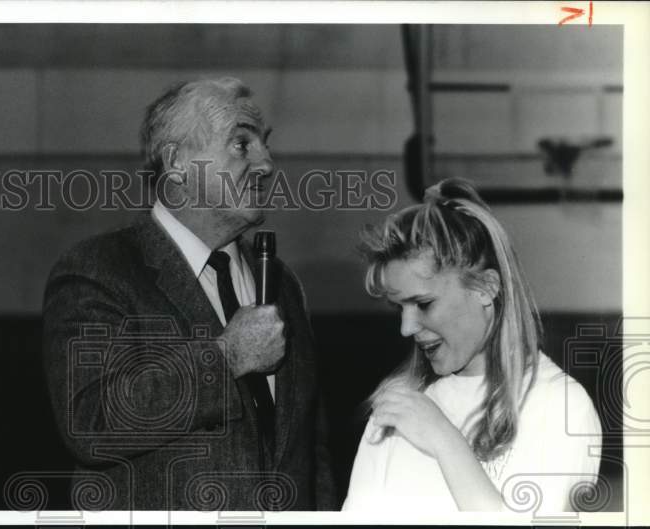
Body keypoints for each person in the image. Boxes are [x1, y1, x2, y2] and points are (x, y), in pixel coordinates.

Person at [42, 77, 336, 511]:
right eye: (241, 145)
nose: (266, 164)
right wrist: (226, 358)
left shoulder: (281, 282)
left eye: (264, 144)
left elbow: (313, 452)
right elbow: (91, 424)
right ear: (178, 162)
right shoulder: (100, 269)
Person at [343, 178, 602, 512]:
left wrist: (444, 440)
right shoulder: (399, 405)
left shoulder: (560, 406)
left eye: (423, 304)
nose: (406, 328)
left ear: (485, 287)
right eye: (399, 308)